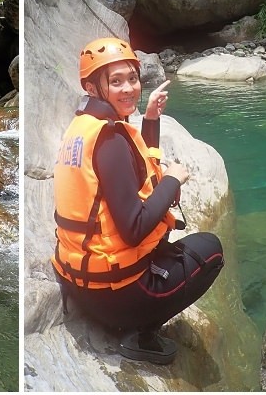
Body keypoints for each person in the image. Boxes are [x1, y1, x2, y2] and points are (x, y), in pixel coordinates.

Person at [51, 37, 224, 364]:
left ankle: (130, 318)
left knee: (166, 241)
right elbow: (133, 229)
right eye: (115, 82)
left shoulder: (84, 127)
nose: (129, 88)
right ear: (91, 86)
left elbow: (137, 173)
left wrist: (150, 119)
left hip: (83, 286)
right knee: (212, 249)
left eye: (132, 78)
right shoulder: (110, 140)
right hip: (119, 299)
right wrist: (174, 178)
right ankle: (140, 333)